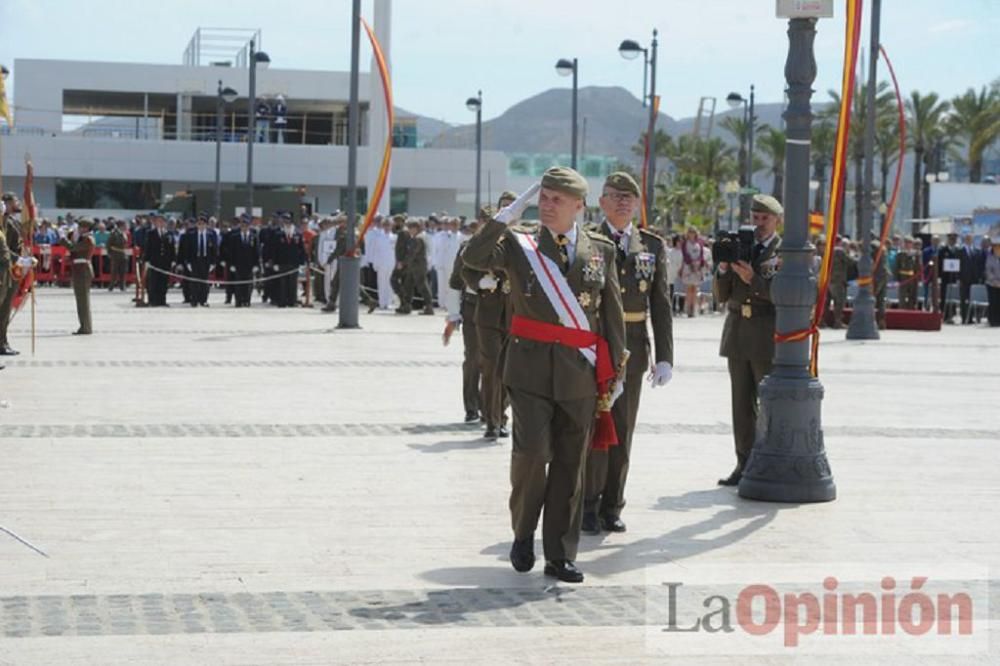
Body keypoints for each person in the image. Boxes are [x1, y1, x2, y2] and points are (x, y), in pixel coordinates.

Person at [463, 167, 626, 584]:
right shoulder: (520, 245)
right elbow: (474, 259)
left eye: (557, 200)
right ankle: (523, 532)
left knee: (572, 467)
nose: (548, 206)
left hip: (580, 374)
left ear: (578, 205)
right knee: (533, 454)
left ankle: (560, 554)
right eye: (544, 197)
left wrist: (614, 373)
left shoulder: (600, 250)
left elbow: (610, 315)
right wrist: (504, 219)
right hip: (529, 369)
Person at [583, 172, 674, 535]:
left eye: (629, 197)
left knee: (622, 427)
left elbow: (662, 304)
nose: (623, 202)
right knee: (593, 426)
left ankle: (612, 504)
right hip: (597, 343)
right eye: (615, 196)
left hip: (633, 346)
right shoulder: (587, 240)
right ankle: (586, 503)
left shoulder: (651, 245)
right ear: (601, 202)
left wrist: (665, 355)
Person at [713, 194, 782, 487]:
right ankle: (743, 463)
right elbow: (721, 296)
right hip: (738, 331)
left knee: (767, 404)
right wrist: (723, 268)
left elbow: (781, 295)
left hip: (765, 333)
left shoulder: (784, 252)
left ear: (777, 220)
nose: (758, 224)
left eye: (764, 218)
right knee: (740, 405)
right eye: (755, 217)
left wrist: (753, 278)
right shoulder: (741, 246)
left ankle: (769, 461)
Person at [461, 203, 514, 440]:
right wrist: (480, 284)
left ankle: (501, 415)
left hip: (513, 315)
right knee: (492, 369)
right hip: (488, 315)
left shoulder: (514, 244)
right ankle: (493, 421)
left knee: (508, 370)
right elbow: (465, 270)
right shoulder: (474, 246)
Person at [447, 216, 482, 423]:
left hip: (502, 307)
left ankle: (493, 409)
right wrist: (453, 314)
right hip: (472, 305)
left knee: (497, 363)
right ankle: (471, 406)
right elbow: (455, 281)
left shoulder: (511, 245)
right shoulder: (466, 247)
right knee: (473, 358)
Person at [60, 218, 95, 335]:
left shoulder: (88, 239)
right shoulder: (83, 238)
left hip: (83, 270)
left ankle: (86, 327)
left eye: (81, 227)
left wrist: (63, 238)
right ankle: (84, 326)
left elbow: (72, 247)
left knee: (83, 301)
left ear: (86, 228)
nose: (78, 229)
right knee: (81, 301)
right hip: (79, 270)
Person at [0, 193, 24, 355]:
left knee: (6, 309)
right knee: (3, 308)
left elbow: (18, 243)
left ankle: (3, 340)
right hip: (5, 270)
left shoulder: (13, 222)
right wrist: (19, 259)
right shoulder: (4, 223)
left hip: (12, 269)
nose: (16, 204)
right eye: (13, 202)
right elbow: (4, 249)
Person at [267, 213, 305, 308]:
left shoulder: (297, 234)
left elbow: (301, 249)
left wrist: (302, 262)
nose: (287, 222)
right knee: (282, 283)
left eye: (288, 220)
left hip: (293, 262)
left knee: (292, 283)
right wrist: (274, 262)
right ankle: (282, 301)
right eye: (285, 221)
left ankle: (292, 301)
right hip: (282, 262)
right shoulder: (278, 234)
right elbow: (274, 249)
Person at [179, 214, 217, 307]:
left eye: (203, 223)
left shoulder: (211, 234)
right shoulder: (191, 234)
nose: (201, 225)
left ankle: (203, 300)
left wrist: (213, 262)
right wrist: (187, 262)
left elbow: (214, 249)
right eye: (199, 223)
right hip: (194, 260)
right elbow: (187, 249)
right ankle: (194, 300)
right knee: (194, 282)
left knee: (205, 282)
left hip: (205, 261)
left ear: (206, 224)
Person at [397, 219, 434, 315]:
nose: (409, 230)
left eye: (411, 228)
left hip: (418, 267)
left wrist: (403, 263)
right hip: (413, 266)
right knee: (408, 286)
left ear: (416, 228)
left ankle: (429, 307)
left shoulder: (418, 239)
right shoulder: (415, 238)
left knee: (422, 286)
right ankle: (407, 306)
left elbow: (412, 254)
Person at [221, 214, 259, 307]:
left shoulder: (253, 237)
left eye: (246, 225)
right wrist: (232, 264)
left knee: (248, 284)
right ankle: (238, 301)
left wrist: (256, 265)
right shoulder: (235, 237)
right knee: (238, 284)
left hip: (249, 265)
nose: (244, 227)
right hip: (238, 265)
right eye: (243, 225)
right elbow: (232, 252)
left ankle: (247, 300)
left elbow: (256, 252)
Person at [144, 214, 175, 307]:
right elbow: (147, 247)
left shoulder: (168, 234)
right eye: (158, 221)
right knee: (153, 282)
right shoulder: (151, 233)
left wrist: (173, 260)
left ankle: (162, 300)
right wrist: (147, 260)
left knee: (164, 282)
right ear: (155, 222)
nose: (160, 223)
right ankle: (153, 300)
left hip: (165, 262)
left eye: (162, 221)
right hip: (154, 262)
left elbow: (171, 248)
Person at [679, 226, 710, 317]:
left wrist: (699, 264)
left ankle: (694, 308)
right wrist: (691, 263)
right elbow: (685, 255)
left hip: (697, 267)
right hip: (688, 266)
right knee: (689, 288)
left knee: (695, 289)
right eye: (690, 232)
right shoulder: (685, 243)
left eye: (693, 232)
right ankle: (688, 308)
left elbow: (701, 255)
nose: (692, 234)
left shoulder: (699, 243)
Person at [937, 233, 962, 322]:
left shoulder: (959, 250)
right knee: (944, 296)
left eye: (954, 239)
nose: (952, 241)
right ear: (948, 240)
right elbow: (939, 264)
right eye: (951, 239)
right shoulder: (943, 250)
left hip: (954, 277)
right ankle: (944, 315)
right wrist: (939, 276)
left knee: (953, 297)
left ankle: (951, 315)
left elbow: (961, 264)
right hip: (945, 277)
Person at [895, 237, 921, 310]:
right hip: (903, 277)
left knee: (912, 296)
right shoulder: (900, 254)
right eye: (906, 242)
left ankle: (910, 311)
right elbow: (897, 267)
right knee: (902, 295)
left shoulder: (916, 254)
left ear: (912, 244)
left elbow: (917, 267)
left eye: (909, 243)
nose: (907, 244)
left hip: (912, 278)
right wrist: (897, 278)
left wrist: (917, 277)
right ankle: (901, 310)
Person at [106, 220, 129, 291]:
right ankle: (111, 285)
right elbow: (108, 244)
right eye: (124, 225)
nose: (126, 227)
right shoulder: (114, 233)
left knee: (123, 271)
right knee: (114, 271)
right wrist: (110, 254)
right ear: (121, 226)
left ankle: (122, 285)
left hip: (123, 254)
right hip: (115, 254)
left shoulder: (124, 233)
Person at [985, 239, 1000, 327]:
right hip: (992, 284)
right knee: (993, 302)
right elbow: (988, 271)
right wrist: (996, 282)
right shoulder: (990, 257)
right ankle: (993, 320)